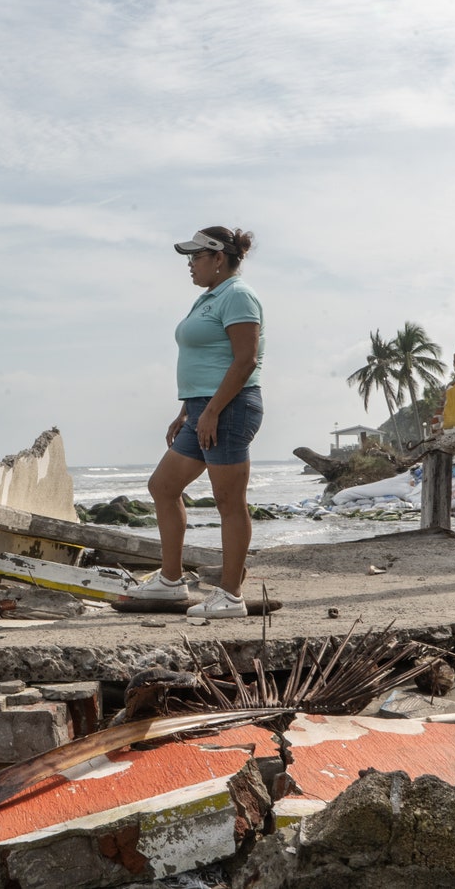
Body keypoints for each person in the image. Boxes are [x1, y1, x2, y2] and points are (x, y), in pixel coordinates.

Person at [133, 227, 264, 618]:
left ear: (218, 258)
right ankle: (171, 582)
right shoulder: (210, 298)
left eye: (195, 257)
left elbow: (245, 360)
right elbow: (207, 362)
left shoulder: (238, 295)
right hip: (204, 408)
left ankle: (230, 596)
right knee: (163, 486)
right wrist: (189, 409)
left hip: (229, 408)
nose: (189, 265)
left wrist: (210, 411)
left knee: (228, 501)